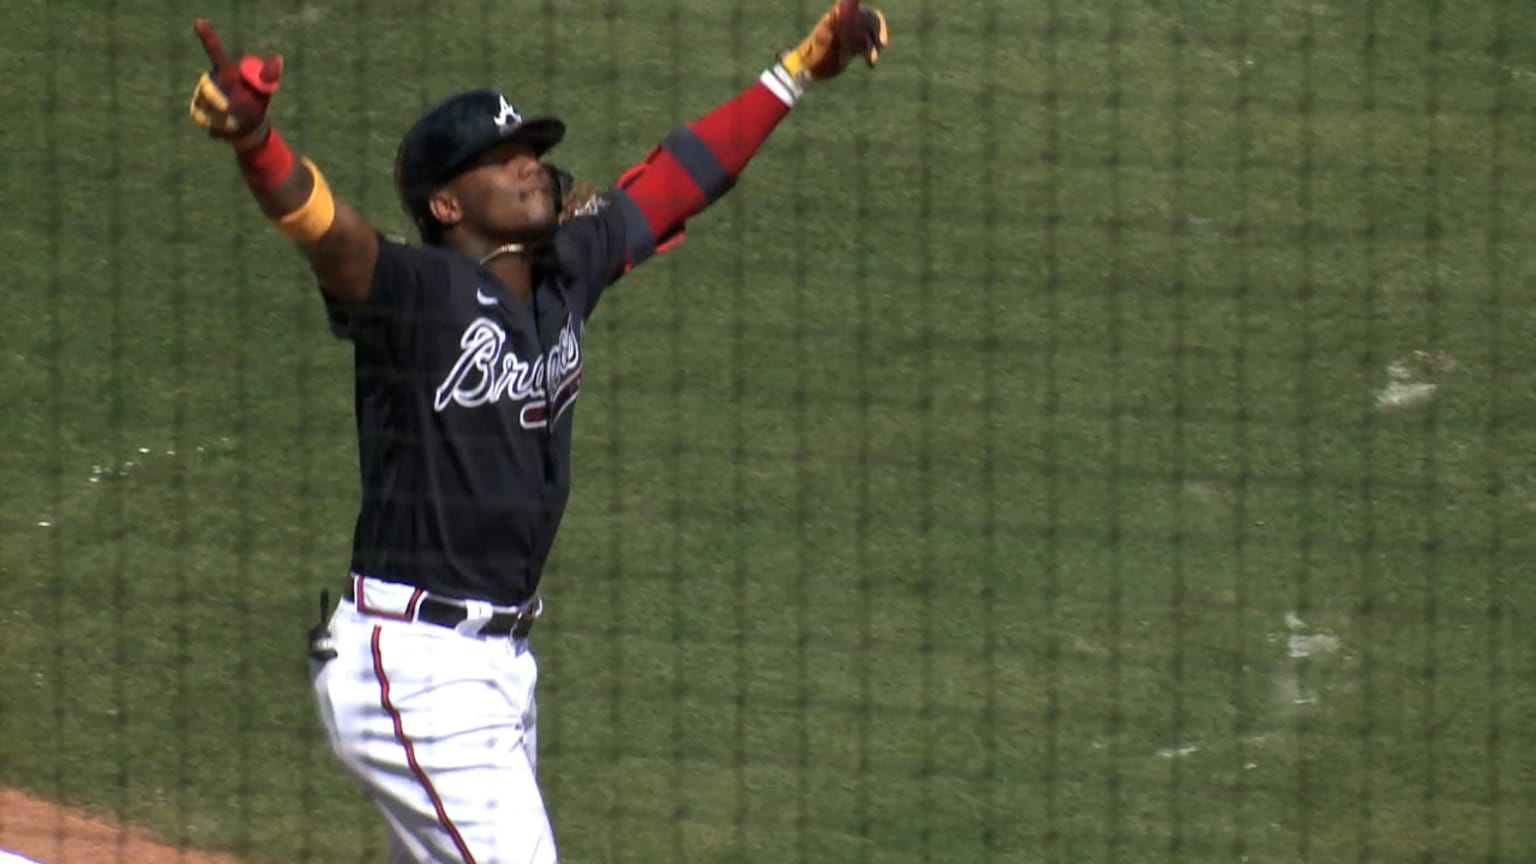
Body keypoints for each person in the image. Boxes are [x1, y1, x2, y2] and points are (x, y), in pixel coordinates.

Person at [188, 3, 888, 861]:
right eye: (500, 159)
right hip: (416, 669)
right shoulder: (415, 294)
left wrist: (799, 70)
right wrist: (256, 142)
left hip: (500, 671)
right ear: (446, 202)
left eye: (530, 149)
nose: (529, 166)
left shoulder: (567, 272)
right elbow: (328, 232)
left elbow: (679, 180)